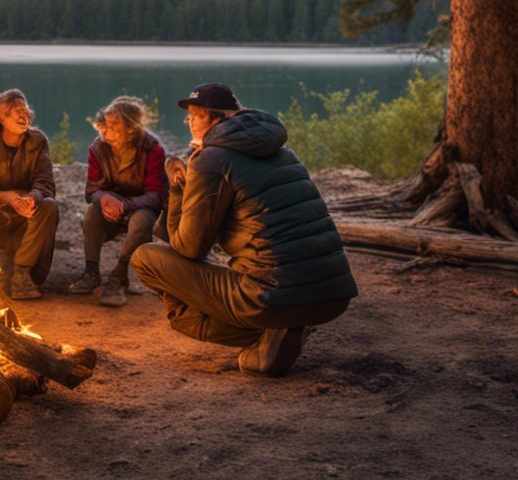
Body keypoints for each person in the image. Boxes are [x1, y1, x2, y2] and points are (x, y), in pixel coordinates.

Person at [130, 82, 359, 378]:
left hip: (269, 295)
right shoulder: (284, 153)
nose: (189, 123)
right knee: (227, 266)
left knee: (146, 259)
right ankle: (280, 331)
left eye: (196, 115)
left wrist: (177, 189)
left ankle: (262, 337)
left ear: (220, 118)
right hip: (332, 294)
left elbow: (189, 249)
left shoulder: (211, 159)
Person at [69, 96, 168, 307]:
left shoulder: (153, 150)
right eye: (105, 125)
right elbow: (91, 190)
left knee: (142, 220)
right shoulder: (98, 148)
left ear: (131, 129)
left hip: (140, 207)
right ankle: (91, 272)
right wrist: (105, 198)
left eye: (114, 126)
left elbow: (156, 196)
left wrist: (125, 205)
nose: (105, 131)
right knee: (91, 214)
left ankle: (119, 275)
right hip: (109, 208)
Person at [0, 89, 59, 300]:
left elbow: (45, 182)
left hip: (26, 220)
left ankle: (22, 274)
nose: (21, 116)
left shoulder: (37, 141)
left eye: (24, 111)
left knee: (49, 205)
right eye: (13, 112)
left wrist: (31, 199)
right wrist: (5, 198)